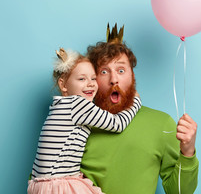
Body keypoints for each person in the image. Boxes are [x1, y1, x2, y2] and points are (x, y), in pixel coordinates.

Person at [80, 24, 199, 194]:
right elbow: (46, 178)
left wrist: (187, 153)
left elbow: (179, 192)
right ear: (93, 79)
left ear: (132, 76)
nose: (114, 79)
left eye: (121, 70)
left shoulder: (161, 124)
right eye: (104, 72)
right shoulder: (77, 121)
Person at [28, 48, 142, 194]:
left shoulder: (59, 106)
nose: (90, 84)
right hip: (58, 184)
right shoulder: (77, 104)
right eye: (82, 79)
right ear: (63, 85)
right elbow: (117, 124)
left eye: (93, 79)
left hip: (40, 184)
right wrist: (135, 101)